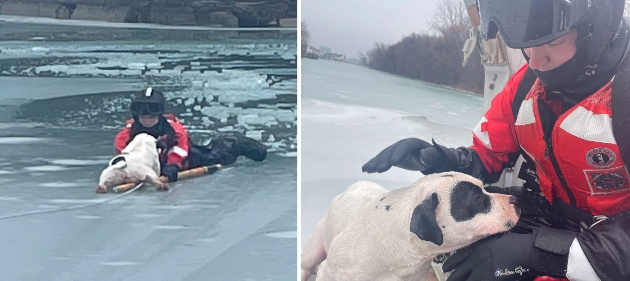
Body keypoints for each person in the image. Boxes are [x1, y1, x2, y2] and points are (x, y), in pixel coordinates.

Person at [361, 0, 630, 280]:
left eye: (556, 41)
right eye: (527, 44)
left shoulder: (622, 96)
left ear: (597, 30)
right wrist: (442, 159)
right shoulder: (526, 86)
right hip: (551, 215)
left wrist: (538, 253)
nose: (535, 61)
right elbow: (489, 155)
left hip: (615, 242)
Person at [114, 87, 268, 182]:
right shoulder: (127, 134)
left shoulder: (173, 129)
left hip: (186, 159)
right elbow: (124, 153)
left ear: (159, 115)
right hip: (155, 164)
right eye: (144, 118)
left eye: (152, 117)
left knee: (218, 155)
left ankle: (234, 142)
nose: (147, 121)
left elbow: (180, 149)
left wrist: (172, 166)